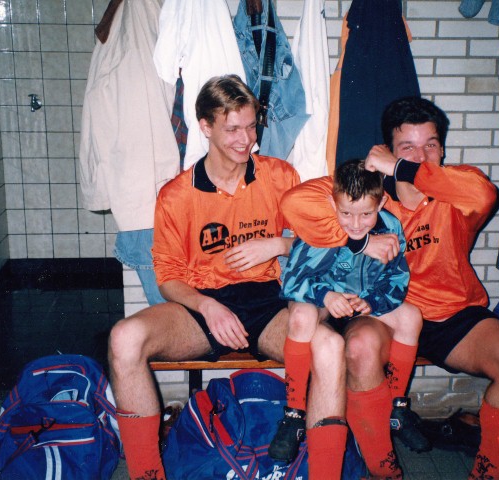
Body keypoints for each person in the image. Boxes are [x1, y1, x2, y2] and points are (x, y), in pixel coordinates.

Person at [280, 96, 499, 480]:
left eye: (430, 145)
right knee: (360, 348)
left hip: (453, 313)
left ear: (442, 149)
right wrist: (360, 239)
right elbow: (296, 204)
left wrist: (402, 167)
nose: (421, 156)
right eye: (407, 148)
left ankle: (488, 475)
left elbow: (486, 195)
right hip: (384, 311)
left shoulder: (456, 195)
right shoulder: (373, 200)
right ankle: (385, 470)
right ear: (385, 150)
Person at [107, 75, 347, 480]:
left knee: (329, 347)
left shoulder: (280, 176)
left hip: (270, 303)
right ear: (205, 126)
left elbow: (328, 242)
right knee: (123, 338)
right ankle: (147, 475)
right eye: (233, 129)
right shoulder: (176, 194)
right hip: (202, 306)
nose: (246, 139)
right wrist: (207, 306)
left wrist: (278, 245)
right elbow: (167, 277)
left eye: (251, 127)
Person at [269, 160, 426, 477]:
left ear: (380, 203)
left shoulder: (391, 227)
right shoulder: (320, 226)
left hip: (363, 303)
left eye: (366, 214)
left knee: (411, 316)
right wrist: (327, 295)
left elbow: (397, 279)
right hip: (324, 302)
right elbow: (293, 281)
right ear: (332, 204)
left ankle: (397, 407)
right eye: (346, 214)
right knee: (300, 316)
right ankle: (294, 413)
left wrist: (372, 301)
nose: (356, 224)